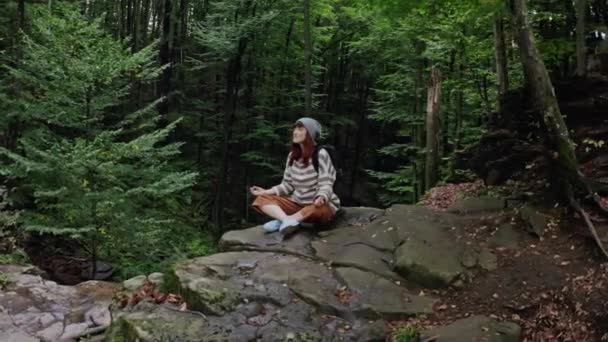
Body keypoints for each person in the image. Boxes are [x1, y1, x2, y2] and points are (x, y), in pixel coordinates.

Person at [250, 117, 341, 236]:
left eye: (300, 129)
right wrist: (266, 191)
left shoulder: (321, 154)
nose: (295, 132)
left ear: (310, 133)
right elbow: (287, 185)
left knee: (316, 208)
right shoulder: (292, 156)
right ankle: (287, 220)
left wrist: (321, 196)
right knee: (261, 199)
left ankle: (286, 220)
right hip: (297, 205)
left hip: (317, 206)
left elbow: (326, 183)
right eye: (295, 129)